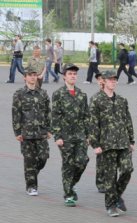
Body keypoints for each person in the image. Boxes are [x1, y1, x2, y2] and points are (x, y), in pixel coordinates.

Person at [89, 70, 135, 217]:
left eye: (115, 79)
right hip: (106, 144)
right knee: (110, 176)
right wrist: (95, 144)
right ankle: (110, 206)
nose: (113, 82)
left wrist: (131, 140)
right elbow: (93, 123)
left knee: (128, 169)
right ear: (103, 81)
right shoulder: (96, 100)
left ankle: (116, 195)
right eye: (110, 80)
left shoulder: (121, 100)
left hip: (123, 143)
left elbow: (128, 120)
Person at [52, 63, 89, 207]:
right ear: (64, 77)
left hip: (80, 134)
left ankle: (71, 183)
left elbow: (86, 116)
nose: (73, 76)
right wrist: (57, 136)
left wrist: (88, 134)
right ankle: (68, 194)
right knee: (68, 164)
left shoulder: (82, 94)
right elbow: (55, 116)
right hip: (65, 135)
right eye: (70, 74)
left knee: (82, 161)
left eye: (74, 74)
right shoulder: (58, 94)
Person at [12, 66, 51, 196]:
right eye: (30, 75)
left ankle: (32, 174)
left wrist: (49, 129)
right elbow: (16, 113)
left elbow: (48, 112)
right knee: (29, 161)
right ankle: (31, 186)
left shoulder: (43, 93)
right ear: (25, 77)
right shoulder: (19, 94)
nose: (33, 77)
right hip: (26, 133)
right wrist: (17, 132)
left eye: (35, 75)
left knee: (43, 157)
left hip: (41, 132)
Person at [90, 72, 106, 193]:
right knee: (101, 160)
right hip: (100, 133)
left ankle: (109, 181)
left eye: (103, 79)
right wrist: (93, 140)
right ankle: (100, 182)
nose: (101, 81)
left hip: (111, 134)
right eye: (99, 79)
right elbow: (92, 120)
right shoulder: (95, 98)